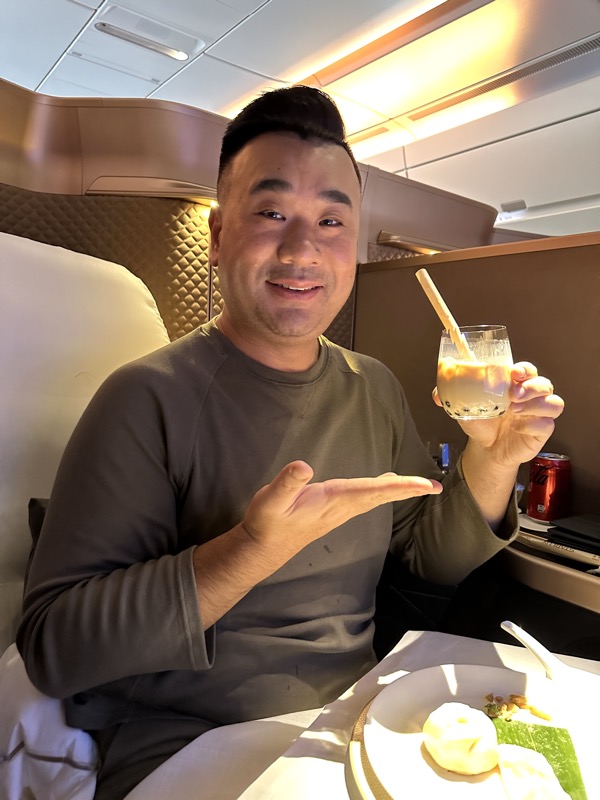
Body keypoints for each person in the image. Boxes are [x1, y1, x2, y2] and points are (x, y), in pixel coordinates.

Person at [17, 85, 564, 799]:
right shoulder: (145, 397)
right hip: (191, 740)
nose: (303, 249)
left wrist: (494, 460)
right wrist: (251, 551)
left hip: (356, 723)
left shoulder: (373, 386)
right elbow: (55, 647)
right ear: (218, 236)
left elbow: (423, 560)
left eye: (331, 221)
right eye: (271, 213)